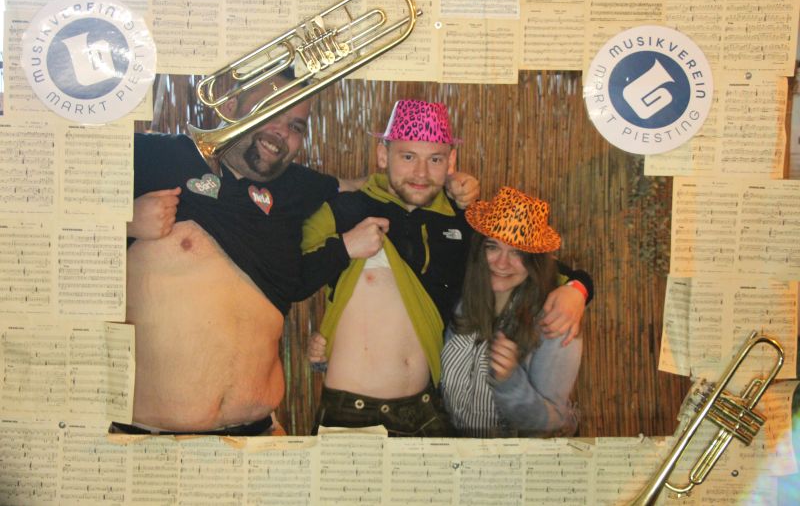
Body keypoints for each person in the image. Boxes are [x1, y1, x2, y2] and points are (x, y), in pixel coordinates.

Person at [117, 78, 478, 436]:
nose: (281, 132)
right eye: (269, 111)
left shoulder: (296, 187)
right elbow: (77, 199)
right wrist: (123, 220)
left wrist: (448, 182)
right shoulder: (162, 157)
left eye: (296, 126)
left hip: (258, 432)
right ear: (229, 106)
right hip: (152, 436)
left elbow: (376, 185)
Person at [302, 100, 593, 436]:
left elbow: (534, 265)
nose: (421, 173)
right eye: (407, 157)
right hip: (352, 412)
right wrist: (344, 247)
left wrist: (577, 289)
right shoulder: (348, 210)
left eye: (435, 159)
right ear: (383, 155)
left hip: (426, 410)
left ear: (451, 162)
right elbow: (290, 272)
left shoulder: (461, 221)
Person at [440, 187, 585, 438]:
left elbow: (552, 422)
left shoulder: (554, 323)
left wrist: (510, 382)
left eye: (517, 252)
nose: (501, 263)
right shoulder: (465, 305)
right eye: (492, 247)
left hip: (517, 459)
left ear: (535, 260)